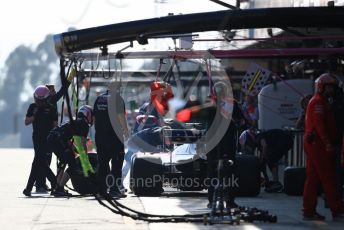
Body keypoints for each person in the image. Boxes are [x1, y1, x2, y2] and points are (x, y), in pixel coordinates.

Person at [303, 73, 344, 221]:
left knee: (313, 179)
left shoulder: (319, 101)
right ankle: (337, 210)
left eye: (333, 87)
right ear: (322, 87)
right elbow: (320, 125)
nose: (332, 90)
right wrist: (328, 144)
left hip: (314, 144)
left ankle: (308, 210)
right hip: (319, 145)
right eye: (330, 87)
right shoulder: (319, 102)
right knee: (329, 178)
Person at [206, 81, 245, 210]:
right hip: (224, 143)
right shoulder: (230, 103)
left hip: (216, 143)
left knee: (214, 172)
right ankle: (228, 200)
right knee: (228, 172)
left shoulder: (211, 104)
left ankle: (213, 200)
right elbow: (242, 121)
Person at [47, 105, 93, 197]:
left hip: (52, 138)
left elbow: (68, 140)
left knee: (64, 161)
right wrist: (86, 162)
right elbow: (83, 146)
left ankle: (56, 187)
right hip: (58, 140)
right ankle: (59, 188)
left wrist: (77, 151)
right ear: (88, 115)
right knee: (73, 165)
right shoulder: (83, 124)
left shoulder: (75, 121)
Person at [93, 83, 129, 197]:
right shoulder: (117, 99)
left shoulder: (99, 99)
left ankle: (101, 191)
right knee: (117, 164)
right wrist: (126, 132)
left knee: (102, 164)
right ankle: (114, 190)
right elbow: (121, 117)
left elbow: (94, 118)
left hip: (100, 137)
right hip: (114, 137)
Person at [35, 82, 71, 192]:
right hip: (48, 134)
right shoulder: (50, 99)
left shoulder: (47, 101)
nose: (55, 91)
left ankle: (40, 182)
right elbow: (62, 92)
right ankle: (40, 183)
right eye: (52, 90)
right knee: (44, 160)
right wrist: (68, 80)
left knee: (44, 159)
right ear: (48, 92)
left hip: (45, 134)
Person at [23, 85, 58, 197]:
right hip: (37, 138)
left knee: (38, 161)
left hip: (48, 139)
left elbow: (55, 125)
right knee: (39, 160)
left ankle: (29, 188)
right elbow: (27, 122)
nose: (39, 103)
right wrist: (35, 114)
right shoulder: (32, 107)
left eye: (41, 101)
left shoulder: (52, 108)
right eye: (37, 100)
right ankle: (54, 182)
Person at [239, 128, 294, 192]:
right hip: (285, 140)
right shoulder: (259, 140)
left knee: (270, 158)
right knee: (269, 158)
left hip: (285, 140)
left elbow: (264, 146)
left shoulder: (259, 136)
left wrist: (262, 159)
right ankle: (274, 181)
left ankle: (276, 182)